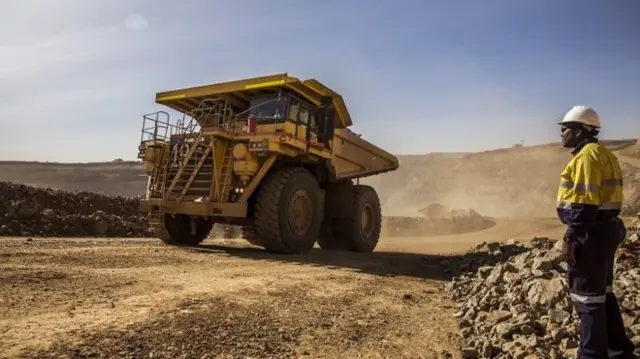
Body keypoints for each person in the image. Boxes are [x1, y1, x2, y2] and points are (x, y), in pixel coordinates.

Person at [556, 105, 637, 359]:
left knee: (587, 298)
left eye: (565, 128)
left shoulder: (587, 157)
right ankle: (618, 350)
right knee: (603, 293)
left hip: (590, 232)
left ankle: (592, 355)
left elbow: (584, 202)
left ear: (581, 131)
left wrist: (571, 235)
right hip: (606, 229)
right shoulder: (604, 153)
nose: (561, 133)